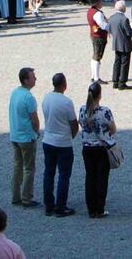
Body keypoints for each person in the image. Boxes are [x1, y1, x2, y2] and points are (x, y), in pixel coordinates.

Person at [41, 72, 79, 217]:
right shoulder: (66, 102)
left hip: (48, 140)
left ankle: (49, 205)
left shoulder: (46, 98)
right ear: (64, 85)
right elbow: (74, 124)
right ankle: (61, 206)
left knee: (48, 173)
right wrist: (71, 136)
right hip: (63, 143)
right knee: (64, 175)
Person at [79, 82, 117, 218]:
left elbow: (81, 123)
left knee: (90, 177)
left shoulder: (83, 110)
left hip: (87, 147)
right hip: (101, 148)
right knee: (102, 178)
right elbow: (113, 129)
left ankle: (91, 208)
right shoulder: (104, 111)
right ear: (100, 95)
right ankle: (99, 208)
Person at [9, 67, 41, 208]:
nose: (35, 78)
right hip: (27, 138)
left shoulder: (15, 93)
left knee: (17, 167)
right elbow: (34, 119)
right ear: (26, 80)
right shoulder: (29, 98)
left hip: (15, 135)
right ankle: (27, 198)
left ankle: (15, 196)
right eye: (33, 77)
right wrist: (37, 132)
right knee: (29, 169)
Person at [108, 0, 132, 90]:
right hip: (125, 43)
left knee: (117, 62)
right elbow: (129, 33)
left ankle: (115, 81)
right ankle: (122, 82)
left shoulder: (112, 17)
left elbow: (109, 29)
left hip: (116, 42)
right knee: (124, 64)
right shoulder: (124, 19)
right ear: (123, 8)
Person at [88, 0, 110, 84]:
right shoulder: (98, 13)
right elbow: (103, 25)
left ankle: (94, 76)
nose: (102, 3)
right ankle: (96, 78)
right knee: (98, 56)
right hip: (99, 36)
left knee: (95, 56)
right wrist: (111, 26)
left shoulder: (91, 11)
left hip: (94, 34)